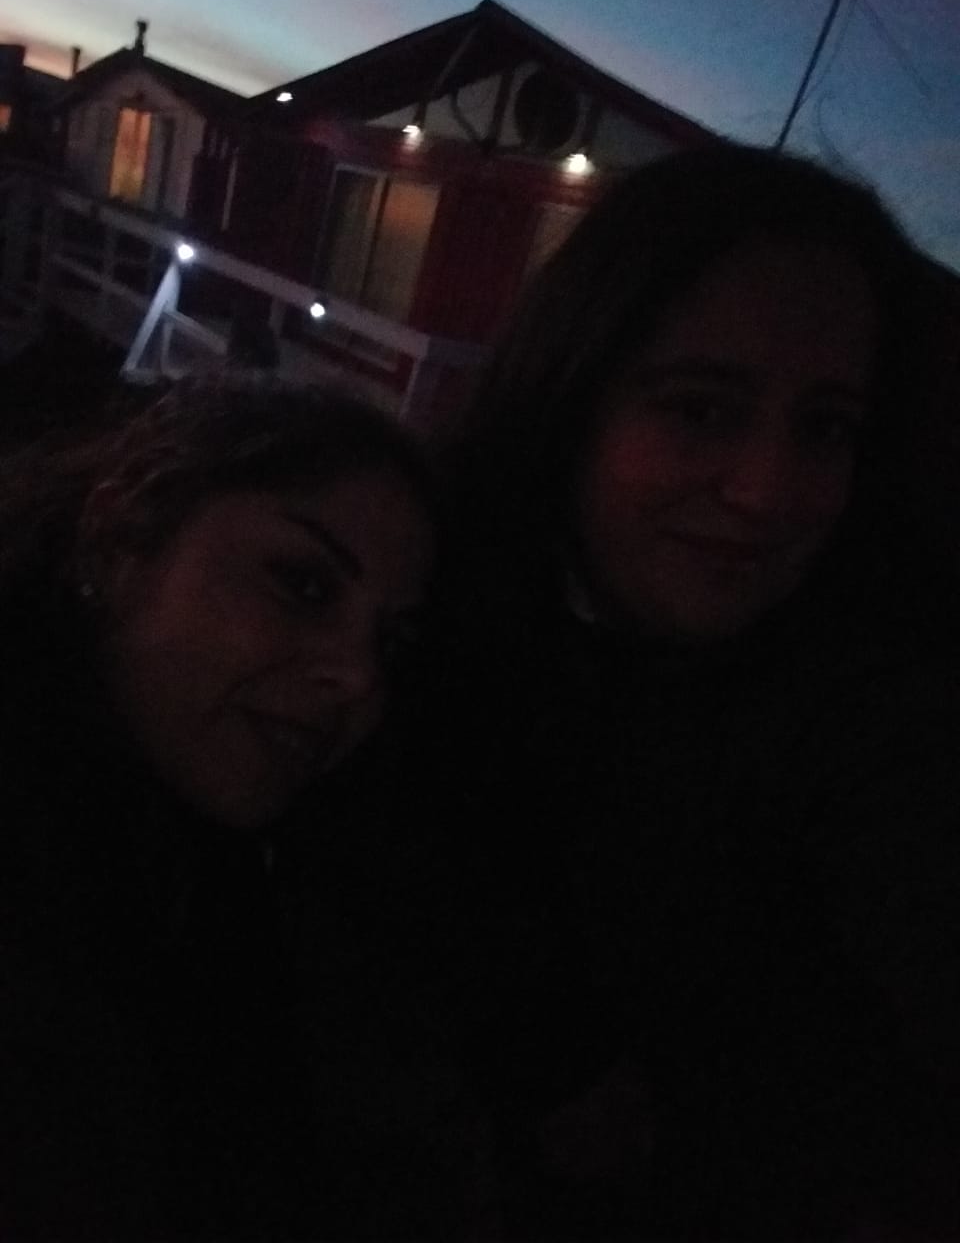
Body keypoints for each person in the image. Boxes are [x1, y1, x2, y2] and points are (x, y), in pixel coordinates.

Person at [432, 144, 960, 1240]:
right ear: (574, 390)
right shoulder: (394, 631)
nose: (769, 491)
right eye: (701, 410)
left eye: (826, 428)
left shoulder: (875, 708)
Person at [0, 374, 452, 1239]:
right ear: (122, 535)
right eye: (303, 586)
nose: (358, 677)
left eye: (390, 640)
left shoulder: (234, 878)